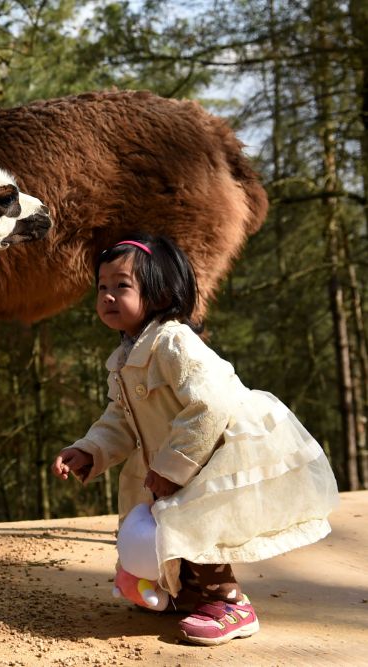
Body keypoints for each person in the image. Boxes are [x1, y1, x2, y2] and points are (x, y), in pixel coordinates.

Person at [51, 233, 338, 646]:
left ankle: (230, 605)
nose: (108, 297)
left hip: (214, 449)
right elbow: (119, 418)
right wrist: (89, 449)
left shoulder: (173, 342)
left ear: (160, 293)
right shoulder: (125, 357)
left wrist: (174, 466)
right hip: (174, 458)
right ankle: (185, 594)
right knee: (169, 524)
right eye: (102, 287)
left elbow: (212, 403)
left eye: (122, 286)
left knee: (198, 526)